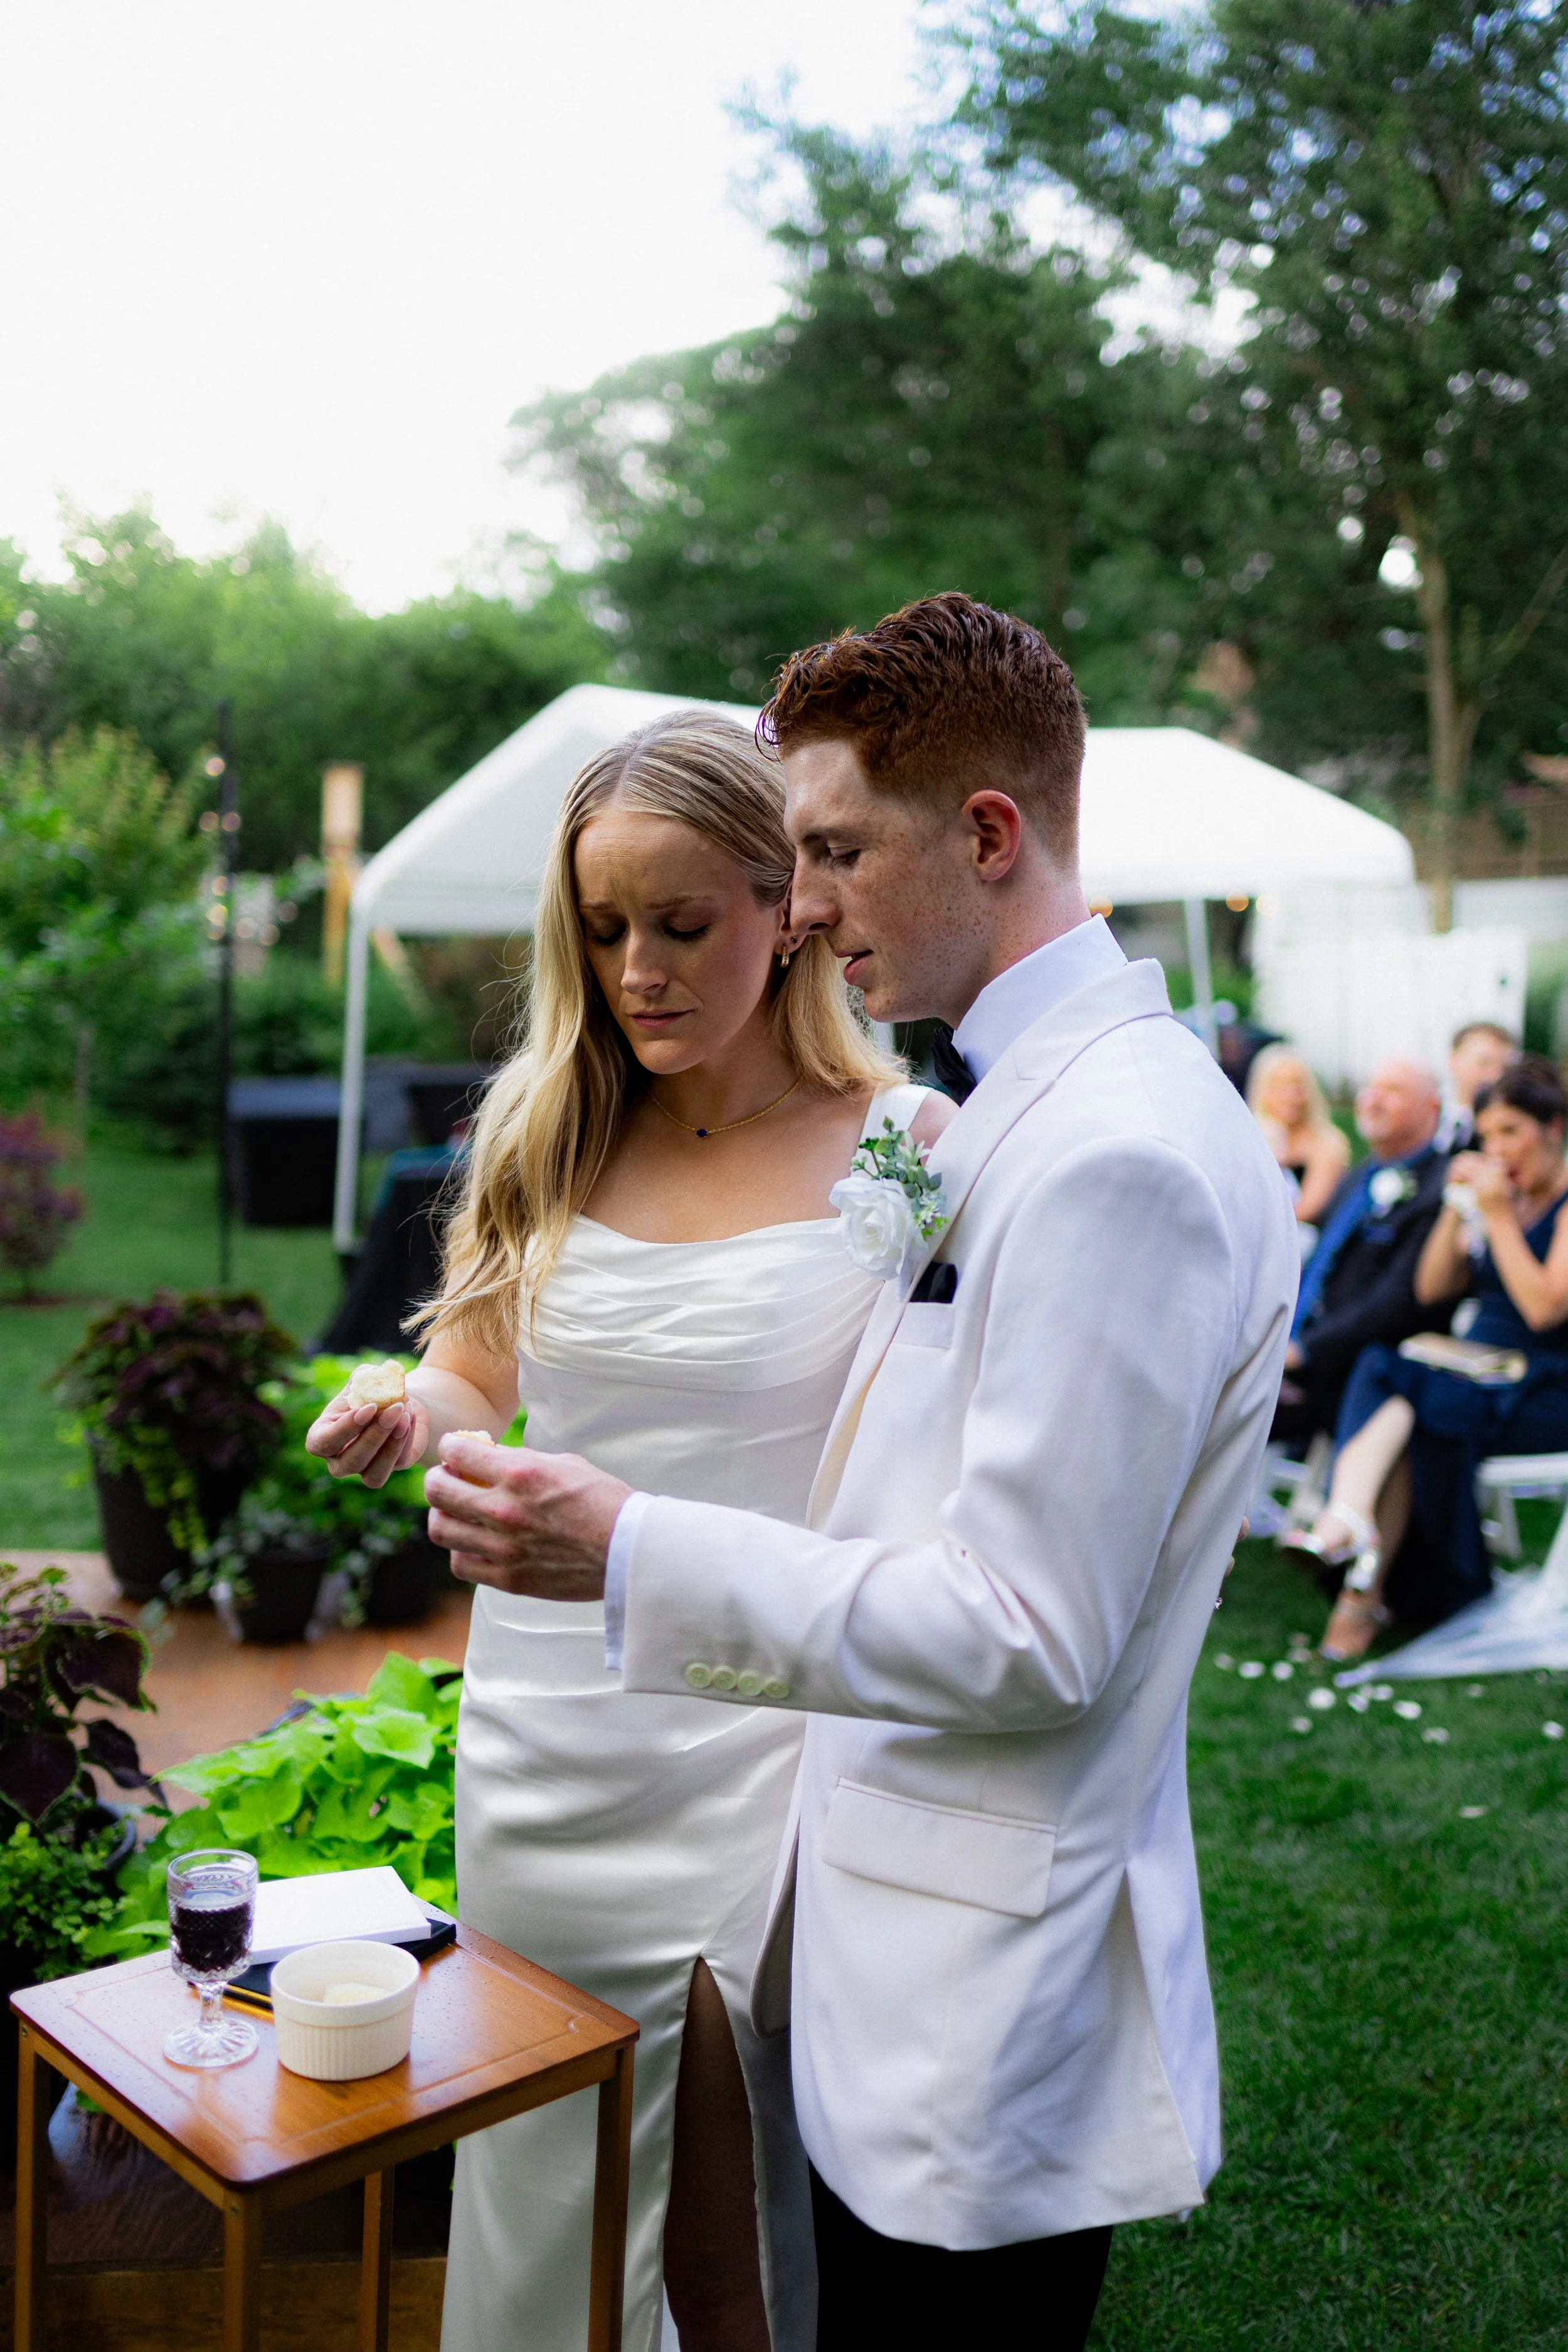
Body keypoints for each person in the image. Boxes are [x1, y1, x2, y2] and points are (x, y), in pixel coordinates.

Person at [416, 593, 1298, 2351]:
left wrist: (632, 1541)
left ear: (982, 834)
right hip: (845, 1893)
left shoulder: (1107, 1148)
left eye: (824, 849)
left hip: (973, 1969)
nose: (799, 901)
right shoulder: (1033, 1101)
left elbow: (1029, 1627)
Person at [305, 710, 951, 2352]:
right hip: (546, 1728)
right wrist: (416, 1414)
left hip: (758, 1717)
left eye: (681, 923)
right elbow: (474, 1364)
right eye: (602, 930)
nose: (637, 969)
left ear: (782, 900)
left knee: (726, 2195)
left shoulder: (905, 1145)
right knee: (553, 2157)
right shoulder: (547, 1121)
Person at [1290, 1054, 1568, 1662]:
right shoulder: (1504, 1200)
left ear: (1552, 1130)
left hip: (1544, 1389)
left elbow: (1545, 1308)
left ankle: (1348, 1541)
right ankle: (1356, 1567)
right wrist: (1454, 1209)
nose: (1497, 1150)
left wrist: (1495, 1216)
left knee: (1398, 1379)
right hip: (1475, 1377)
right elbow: (1431, 1289)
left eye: (1512, 1133)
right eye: (1488, 1135)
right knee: (1388, 1368)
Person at [1271, 1057, 1449, 1449]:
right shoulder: (1361, 1175)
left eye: (1393, 1091)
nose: (1373, 1100)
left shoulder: (1438, 1188)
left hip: (1347, 1372)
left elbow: (1396, 1302)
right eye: (1371, 1089)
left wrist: (1304, 1351)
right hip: (1293, 1350)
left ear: (1431, 1109)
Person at [1246, 1044, 1350, 1225]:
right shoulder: (1252, 1137)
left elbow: (1308, 1211)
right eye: (1279, 1086)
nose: (1289, 1095)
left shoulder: (1326, 1143)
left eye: (1296, 1085)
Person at [1436, 1019, 1518, 1152]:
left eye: (1505, 1067)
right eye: (1484, 1063)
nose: (1495, 1076)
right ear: (1454, 1061)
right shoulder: (1425, 1121)